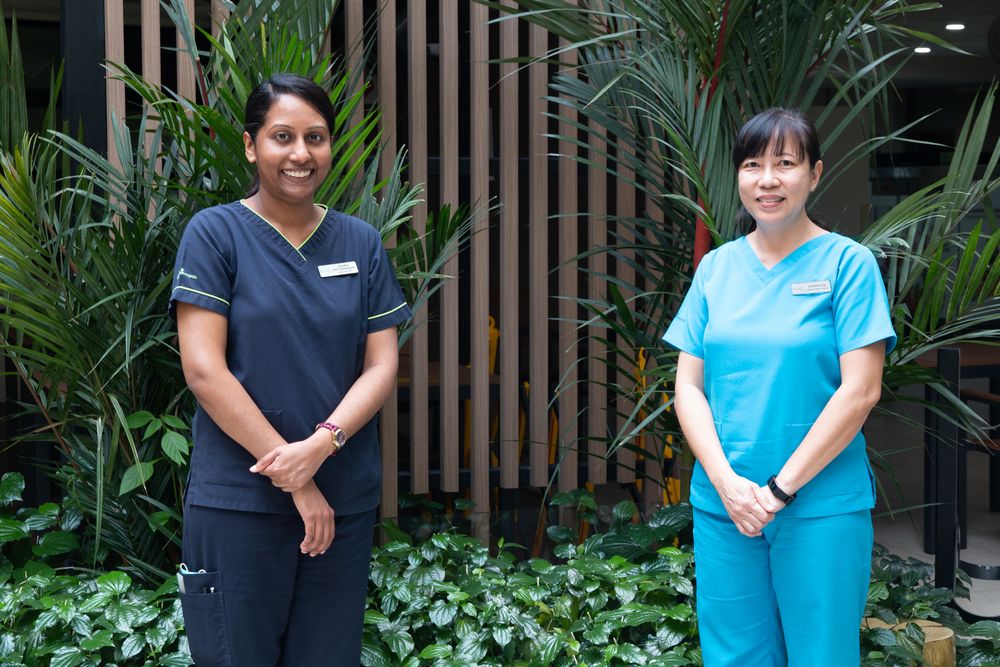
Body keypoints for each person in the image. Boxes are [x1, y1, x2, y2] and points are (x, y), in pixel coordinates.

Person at [170, 73, 410, 666]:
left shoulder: (359, 242)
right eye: (282, 136)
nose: (301, 154)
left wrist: (323, 446)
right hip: (239, 506)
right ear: (252, 146)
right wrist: (298, 478)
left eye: (316, 137)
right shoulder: (215, 234)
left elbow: (382, 365)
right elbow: (204, 371)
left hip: (342, 504)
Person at [662, 107, 896, 665]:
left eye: (785, 163)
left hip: (819, 507)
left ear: (815, 174)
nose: (768, 180)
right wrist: (729, 487)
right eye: (753, 164)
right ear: (738, 176)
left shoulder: (849, 264)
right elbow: (688, 388)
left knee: (822, 655)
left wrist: (776, 492)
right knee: (733, 655)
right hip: (726, 508)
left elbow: (861, 391)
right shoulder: (716, 268)